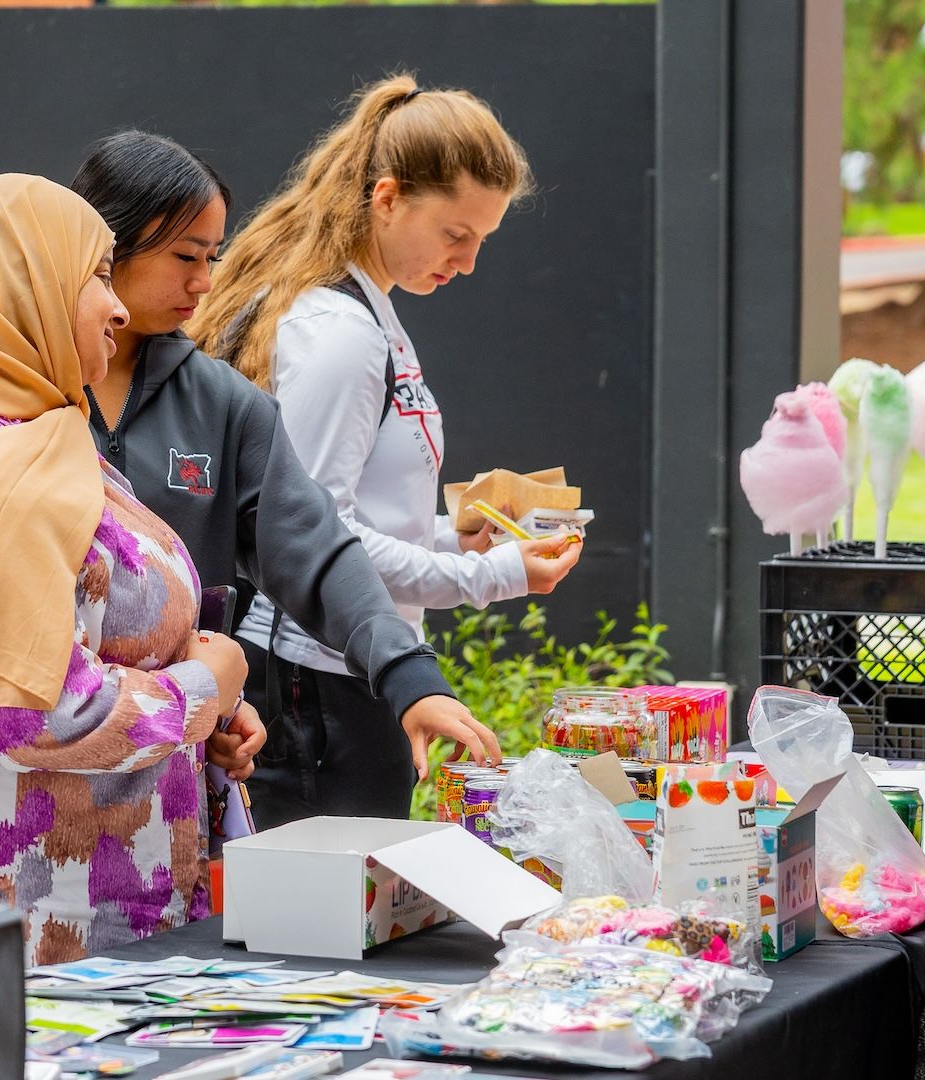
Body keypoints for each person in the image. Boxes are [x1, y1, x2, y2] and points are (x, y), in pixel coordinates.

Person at [0, 133, 501, 823]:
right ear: (101, 246)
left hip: (150, 811)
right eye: (185, 256)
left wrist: (404, 675)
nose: (204, 282)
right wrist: (181, 685)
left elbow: (315, 548)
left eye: (213, 257)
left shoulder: (222, 405)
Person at [0, 174, 255, 963]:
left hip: (85, 911)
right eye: (96, 276)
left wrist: (207, 713)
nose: (116, 306)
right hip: (34, 932)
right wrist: (203, 691)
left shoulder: (40, 440)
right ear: (28, 288)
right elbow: (34, 711)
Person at [189, 74, 581, 824]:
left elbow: (336, 523)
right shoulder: (340, 334)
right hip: (314, 685)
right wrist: (492, 573)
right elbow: (312, 540)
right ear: (388, 198)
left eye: (483, 239)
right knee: (336, 896)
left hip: (337, 672)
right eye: (455, 234)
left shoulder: (362, 313)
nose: (468, 261)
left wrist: (457, 538)